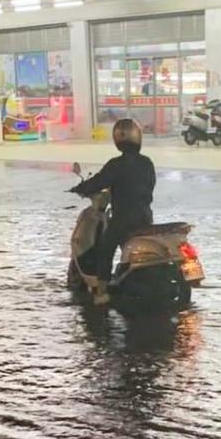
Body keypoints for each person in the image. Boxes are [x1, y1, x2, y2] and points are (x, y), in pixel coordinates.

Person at [71, 118, 156, 305]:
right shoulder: (147, 163)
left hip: (123, 218)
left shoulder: (116, 164)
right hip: (145, 217)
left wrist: (81, 188)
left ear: (118, 140)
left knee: (105, 248)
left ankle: (101, 292)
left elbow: (99, 181)